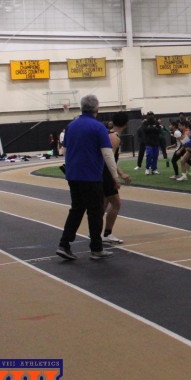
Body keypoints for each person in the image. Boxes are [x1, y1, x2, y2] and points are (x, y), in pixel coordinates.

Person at [56, 94, 120, 261]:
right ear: (97, 109)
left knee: (76, 209)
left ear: (81, 107)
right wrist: (115, 176)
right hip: (91, 176)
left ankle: (64, 244)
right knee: (95, 212)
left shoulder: (71, 126)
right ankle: (96, 248)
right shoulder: (98, 127)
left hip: (73, 175)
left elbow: (64, 151)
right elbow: (107, 154)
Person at [102, 112, 133, 244]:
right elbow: (110, 160)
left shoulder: (108, 135)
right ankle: (107, 234)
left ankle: (95, 232)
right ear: (125, 124)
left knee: (104, 204)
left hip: (105, 173)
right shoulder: (114, 138)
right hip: (107, 174)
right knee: (116, 203)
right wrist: (118, 176)